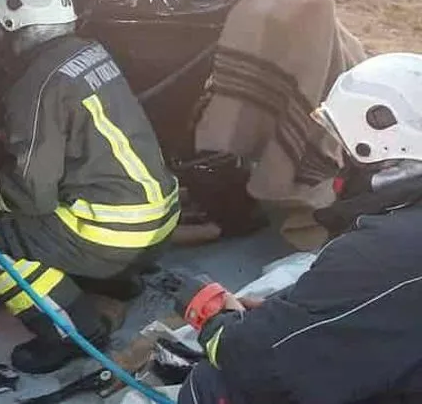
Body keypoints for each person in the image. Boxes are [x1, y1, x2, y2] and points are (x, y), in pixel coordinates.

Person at [0, 0, 180, 374]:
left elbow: (31, 196)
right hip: (159, 221)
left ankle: (68, 329)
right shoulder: (89, 52)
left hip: (116, 233)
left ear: (11, 18)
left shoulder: (36, 85)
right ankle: (113, 279)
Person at [180, 52, 422, 404]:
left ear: (381, 147)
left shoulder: (380, 251)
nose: (337, 160)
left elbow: (261, 362)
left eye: (343, 147)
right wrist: (295, 316)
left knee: (213, 384)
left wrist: (218, 322)